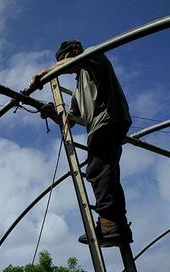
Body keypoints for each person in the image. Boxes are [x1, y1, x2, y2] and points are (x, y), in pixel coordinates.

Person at [28, 40, 133, 246]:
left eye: (63, 61)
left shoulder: (94, 57)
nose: (64, 68)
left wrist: (41, 75)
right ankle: (116, 224)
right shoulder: (77, 89)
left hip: (109, 119)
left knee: (98, 169)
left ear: (75, 50)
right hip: (99, 125)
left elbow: (74, 63)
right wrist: (51, 114)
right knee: (105, 170)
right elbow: (71, 120)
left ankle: (109, 225)